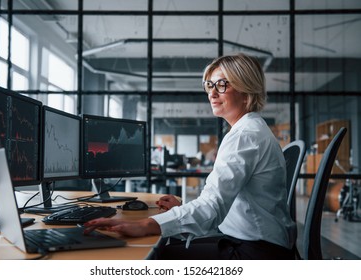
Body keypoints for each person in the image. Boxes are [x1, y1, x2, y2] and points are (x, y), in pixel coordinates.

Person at [84, 53, 297, 260]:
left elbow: (213, 206)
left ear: (246, 89)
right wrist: (182, 210)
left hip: (255, 253)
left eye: (222, 85)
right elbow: (227, 205)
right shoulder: (251, 129)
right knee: (170, 241)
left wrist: (147, 224)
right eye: (210, 85)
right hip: (255, 242)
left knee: (158, 254)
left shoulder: (245, 135)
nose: (212, 94)